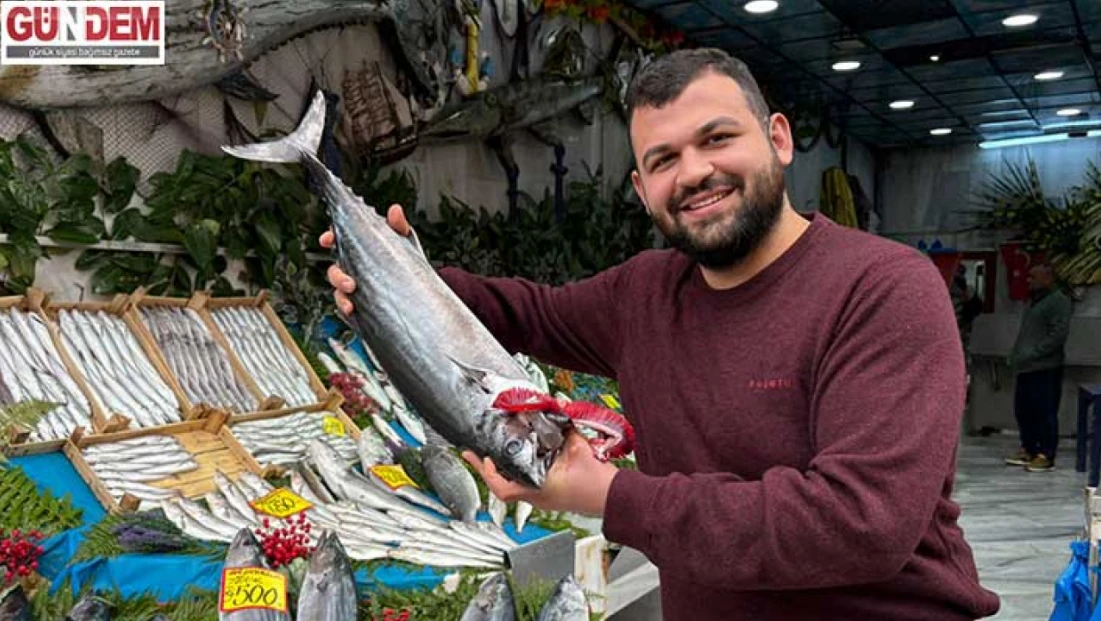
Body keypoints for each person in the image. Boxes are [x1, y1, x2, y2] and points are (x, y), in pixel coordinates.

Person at [321, 48, 1000, 620]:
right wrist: (396, 282)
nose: (694, 172)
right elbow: (527, 313)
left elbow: (859, 523)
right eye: (664, 158)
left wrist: (610, 496)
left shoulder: (883, 289)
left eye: (716, 138)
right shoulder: (642, 292)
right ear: (642, 189)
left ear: (778, 139)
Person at [1003, 262, 1073, 472]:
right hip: (1026, 367)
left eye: (1034, 277)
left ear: (1048, 278)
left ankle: (1045, 454)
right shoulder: (1035, 302)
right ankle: (1029, 448)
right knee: (1024, 411)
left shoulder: (1058, 301)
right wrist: (1016, 355)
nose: (1029, 280)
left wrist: (1032, 353)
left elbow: (1057, 336)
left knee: (1045, 412)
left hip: (1045, 367)